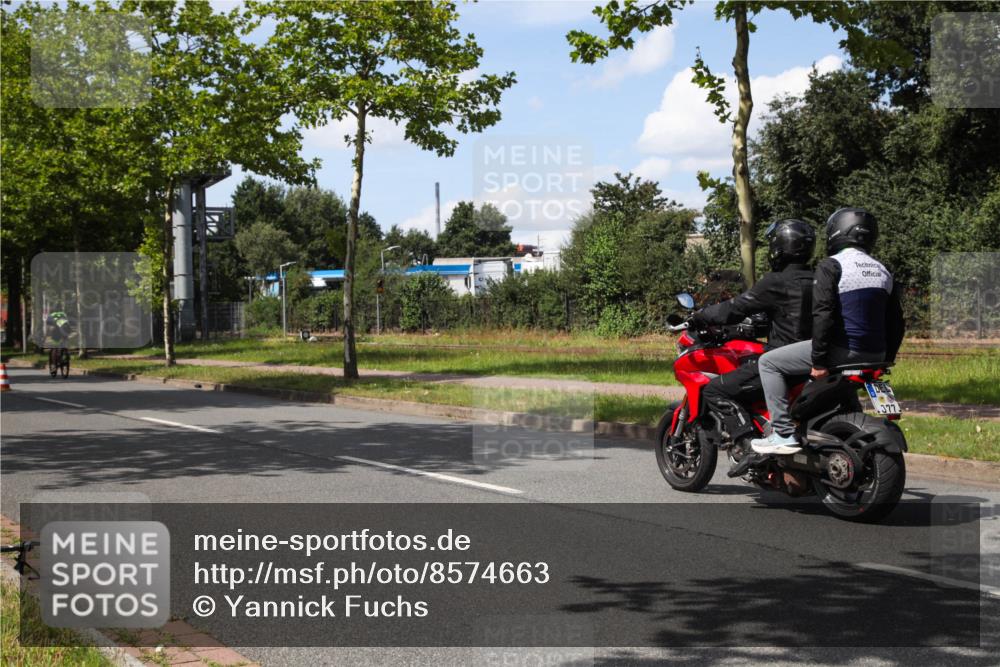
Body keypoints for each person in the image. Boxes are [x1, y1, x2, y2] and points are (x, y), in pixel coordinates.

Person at [751, 208, 905, 455]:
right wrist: (887, 357)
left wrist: (819, 361)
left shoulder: (832, 265)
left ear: (837, 231)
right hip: (876, 355)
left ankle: (782, 433)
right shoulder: (882, 269)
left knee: (769, 362)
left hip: (841, 351)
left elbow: (823, 315)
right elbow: (897, 321)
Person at [688, 219, 816, 473]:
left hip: (783, 363)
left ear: (778, 248)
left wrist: (702, 315)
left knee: (715, 390)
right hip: (816, 359)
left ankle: (747, 444)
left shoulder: (775, 281)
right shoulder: (819, 278)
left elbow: (736, 308)